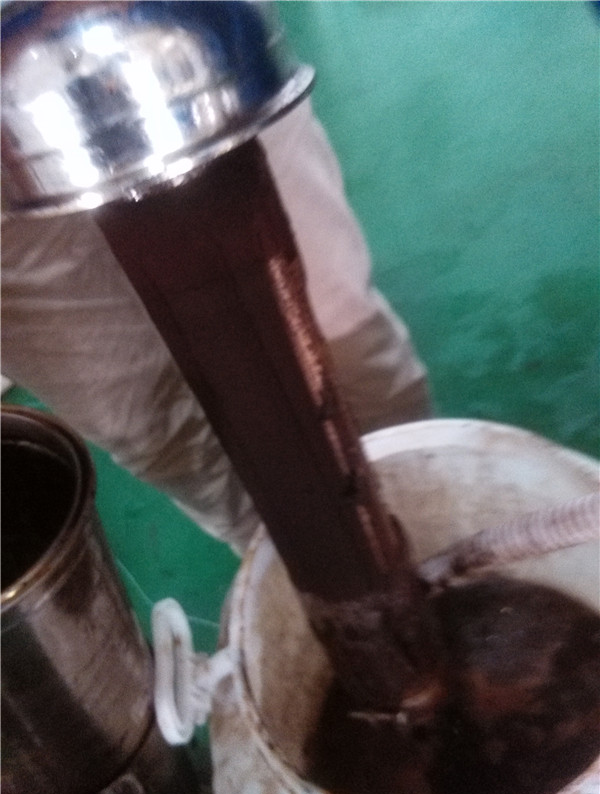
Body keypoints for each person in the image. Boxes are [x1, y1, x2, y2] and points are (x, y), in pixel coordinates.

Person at [1, 98, 431, 554]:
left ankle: (431, 507)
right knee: (151, 426)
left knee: (340, 333)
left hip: (178, 77)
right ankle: (284, 562)